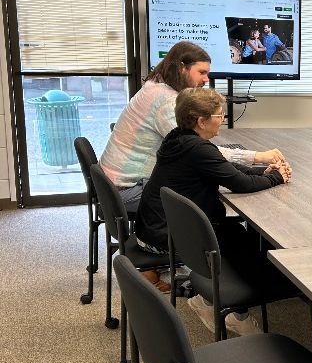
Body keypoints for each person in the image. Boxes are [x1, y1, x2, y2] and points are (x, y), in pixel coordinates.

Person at [135, 88, 292, 336]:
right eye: (220, 115)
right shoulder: (197, 148)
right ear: (201, 120)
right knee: (251, 248)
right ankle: (233, 312)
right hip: (166, 237)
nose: (223, 119)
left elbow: (225, 168)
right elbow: (239, 183)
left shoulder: (179, 138)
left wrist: (263, 172)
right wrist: (276, 177)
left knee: (247, 238)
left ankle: (206, 299)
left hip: (158, 226)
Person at [99, 41, 284, 211]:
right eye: (201, 72)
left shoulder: (155, 87)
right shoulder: (167, 102)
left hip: (114, 185)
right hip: (128, 191)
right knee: (205, 184)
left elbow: (202, 151)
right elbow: (201, 153)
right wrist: (257, 157)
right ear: (182, 68)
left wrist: (254, 171)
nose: (206, 79)